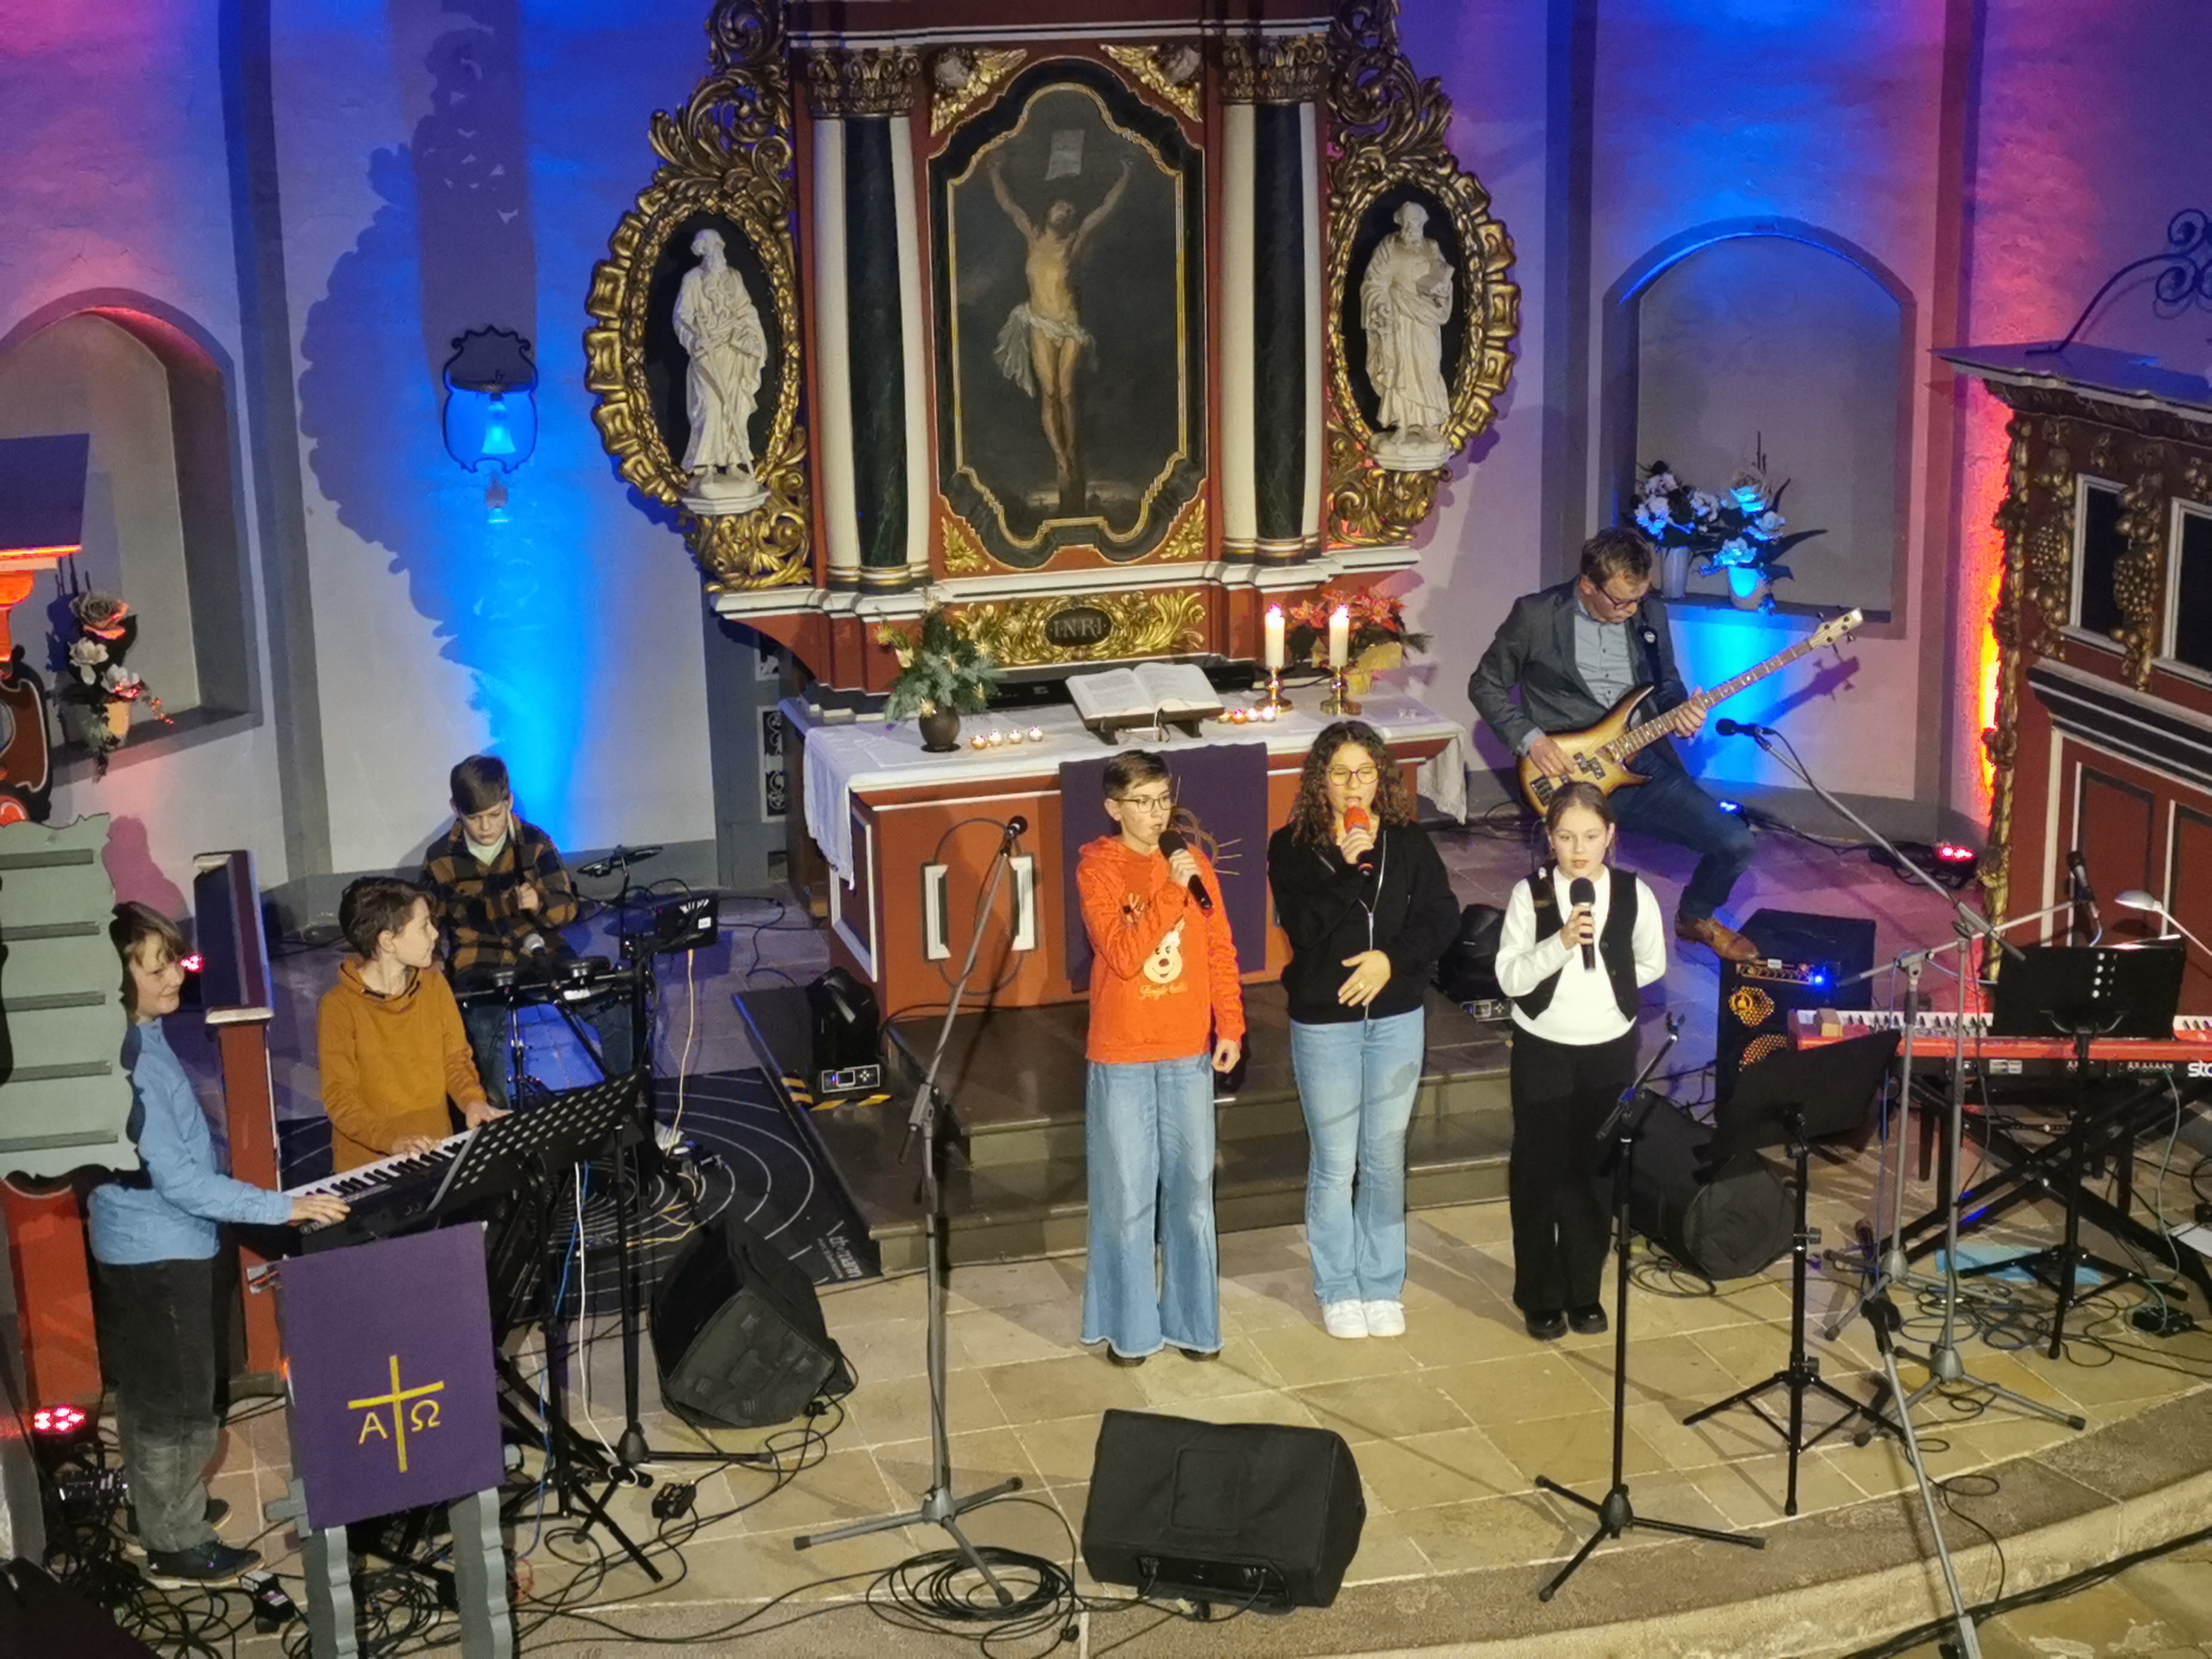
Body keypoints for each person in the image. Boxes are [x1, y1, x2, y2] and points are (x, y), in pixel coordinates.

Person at [89, 903, 349, 1585]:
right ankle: (175, 1544)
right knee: (180, 1407)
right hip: (160, 1253)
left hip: (144, 1245)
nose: (176, 976)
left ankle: (159, 1512)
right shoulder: (132, 1061)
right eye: (157, 969)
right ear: (116, 978)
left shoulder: (139, 1036)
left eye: (173, 961)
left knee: (154, 1394)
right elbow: (182, 1184)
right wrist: (283, 1207)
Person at [1469, 526, 1758, 963]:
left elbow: (1666, 685)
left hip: (1641, 764)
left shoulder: (1649, 613)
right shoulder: (1537, 615)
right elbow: (1485, 684)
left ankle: (1695, 916)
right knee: (1577, 890)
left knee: (1736, 843)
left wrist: (1681, 712)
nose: (1631, 610)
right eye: (1621, 601)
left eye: (1639, 598)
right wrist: (1532, 741)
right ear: (1588, 586)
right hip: (1569, 773)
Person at [1267, 721, 1461, 1340]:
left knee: (1383, 1156)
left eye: (1365, 773)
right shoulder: (1291, 847)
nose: (1354, 786)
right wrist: (1349, 870)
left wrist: (1390, 961)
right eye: (1340, 773)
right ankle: (1337, 1287)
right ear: (1319, 782)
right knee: (1335, 1161)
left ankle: (1380, 1284)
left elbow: (1442, 917)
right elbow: (1304, 928)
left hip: (1396, 1018)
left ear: (1382, 778)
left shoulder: (1408, 841)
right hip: (1326, 1023)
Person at [1075, 751, 1244, 1366]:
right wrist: (1171, 890)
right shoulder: (1097, 870)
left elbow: (1220, 948)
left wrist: (1230, 1023)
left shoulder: (1193, 865)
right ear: (1113, 808)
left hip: (1185, 1050)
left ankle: (1194, 1322)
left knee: (1193, 1192)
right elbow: (1124, 955)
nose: (1157, 814)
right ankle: (1131, 1329)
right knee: (1127, 1197)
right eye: (1142, 803)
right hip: (1122, 1053)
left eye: (1163, 800)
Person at [1492, 783, 1668, 1341]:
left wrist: (1610, 996)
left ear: (1610, 836)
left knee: (1595, 1169)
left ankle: (1583, 1289)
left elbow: (1652, 964)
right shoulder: (1532, 895)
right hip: (1543, 1047)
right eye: (1566, 837)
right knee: (1539, 1170)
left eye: (1591, 837)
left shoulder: (1634, 894)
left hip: (1609, 1047)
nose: (1579, 849)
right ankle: (1539, 1294)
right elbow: (1510, 977)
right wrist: (1562, 943)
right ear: (1550, 838)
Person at [420, 754, 630, 1108]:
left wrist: (540, 903)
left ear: (509, 801)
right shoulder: (440, 857)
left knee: (614, 1012)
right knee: (482, 1033)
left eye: (494, 815)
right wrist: (435, 960)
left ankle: (625, 1108)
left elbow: (567, 909)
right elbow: (426, 922)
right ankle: (496, 1124)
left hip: (542, 953)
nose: (486, 827)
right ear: (456, 809)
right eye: (474, 818)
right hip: (478, 959)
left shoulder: (535, 843)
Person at [319, 878, 504, 1173]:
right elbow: (340, 1098)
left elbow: (455, 1060)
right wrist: (392, 1140)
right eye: (423, 926)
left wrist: (473, 1101)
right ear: (387, 941)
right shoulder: (338, 1006)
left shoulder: (433, 984)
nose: (435, 934)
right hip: (371, 1166)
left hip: (436, 1151)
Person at [988, 150, 1132, 492]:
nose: (1064, 212)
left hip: (1068, 326)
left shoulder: (1073, 244)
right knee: (1050, 393)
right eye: (1060, 207)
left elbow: (1104, 210)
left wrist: (1125, 175)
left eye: (1069, 211)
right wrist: (994, 171)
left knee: (1067, 393)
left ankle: (1072, 453)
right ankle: (1061, 459)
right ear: (1048, 211)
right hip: (1039, 322)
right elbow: (1007, 204)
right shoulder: (1032, 238)